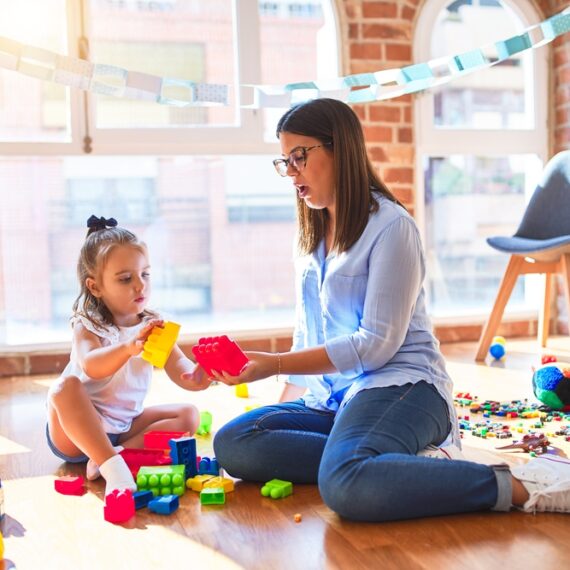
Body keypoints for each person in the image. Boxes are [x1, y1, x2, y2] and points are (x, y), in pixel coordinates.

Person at [212, 98, 570, 521]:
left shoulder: (392, 227)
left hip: (403, 386)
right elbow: (308, 331)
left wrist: (272, 363)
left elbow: (376, 346)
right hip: (337, 400)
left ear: (339, 149)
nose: (291, 173)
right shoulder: (311, 232)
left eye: (299, 157)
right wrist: (285, 394)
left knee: (343, 481)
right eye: (284, 161)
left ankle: (522, 484)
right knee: (235, 441)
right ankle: (395, 459)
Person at [47, 216, 210, 495]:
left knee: (189, 415)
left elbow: (179, 366)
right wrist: (128, 347)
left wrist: (199, 375)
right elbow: (91, 365)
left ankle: (112, 455)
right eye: (125, 279)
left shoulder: (154, 324)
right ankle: (114, 468)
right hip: (76, 431)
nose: (140, 285)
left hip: (125, 426)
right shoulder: (88, 323)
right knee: (64, 388)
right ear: (95, 287)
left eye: (145, 274)